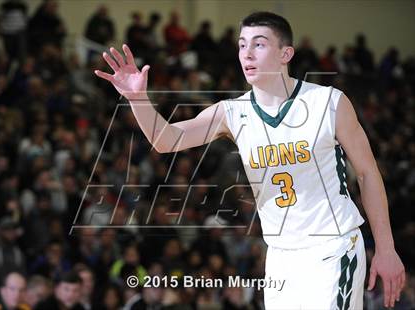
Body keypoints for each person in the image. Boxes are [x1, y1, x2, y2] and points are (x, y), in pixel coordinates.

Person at [94, 11, 405, 309]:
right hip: (281, 256)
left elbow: (366, 173)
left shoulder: (328, 101)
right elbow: (165, 140)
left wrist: (386, 248)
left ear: (286, 54)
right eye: (242, 45)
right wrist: (138, 99)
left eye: (259, 43)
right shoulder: (232, 113)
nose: (247, 53)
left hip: (333, 247)